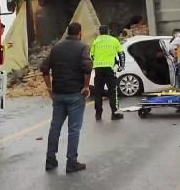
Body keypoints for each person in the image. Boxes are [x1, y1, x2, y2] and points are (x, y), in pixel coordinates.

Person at [41, 22, 92, 173]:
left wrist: (49, 88)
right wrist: (86, 86)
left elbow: (44, 69)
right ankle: (71, 162)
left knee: (55, 127)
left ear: (67, 33)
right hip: (75, 95)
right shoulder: (82, 47)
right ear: (80, 33)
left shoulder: (56, 48)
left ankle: (50, 160)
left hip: (58, 94)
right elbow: (87, 68)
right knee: (74, 129)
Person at [91, 25, 125, 121]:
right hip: (110, 69)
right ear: (108, 31)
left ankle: (98, 114)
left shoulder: (96, 41)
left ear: (100, 32)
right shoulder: (113, 40)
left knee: (98, 92)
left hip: (98, 69)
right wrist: (121, 66)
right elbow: (121, 54)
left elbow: (92, 55)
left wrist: (97, 62)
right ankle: (115, 113)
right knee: (112, 91)